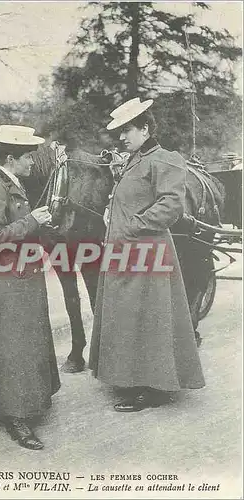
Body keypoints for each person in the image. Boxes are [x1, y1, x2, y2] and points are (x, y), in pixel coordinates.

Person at [89, 98, 205, 412]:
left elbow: (170, 205)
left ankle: (153, 388)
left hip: (147, 249)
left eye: (127, 130)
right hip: (125, 250)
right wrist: (111, 215)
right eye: (119, 132)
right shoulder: (134, 159)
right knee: (128, 315)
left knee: (147, 318)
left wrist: (133, 225)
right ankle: (131, 377)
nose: (122, 137)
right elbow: (129, 198)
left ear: (145, 127)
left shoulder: (164, 159)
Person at [0, 125, 60, 449]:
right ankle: (14, 417)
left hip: (20, 277)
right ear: (10, 158)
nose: (32, 162)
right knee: (11, 346)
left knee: (24, 343)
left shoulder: (12, 184)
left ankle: (26, 402)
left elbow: (19, 228)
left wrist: (43, 227)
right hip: (5, 283)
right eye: (28, 156)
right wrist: (33, 220)